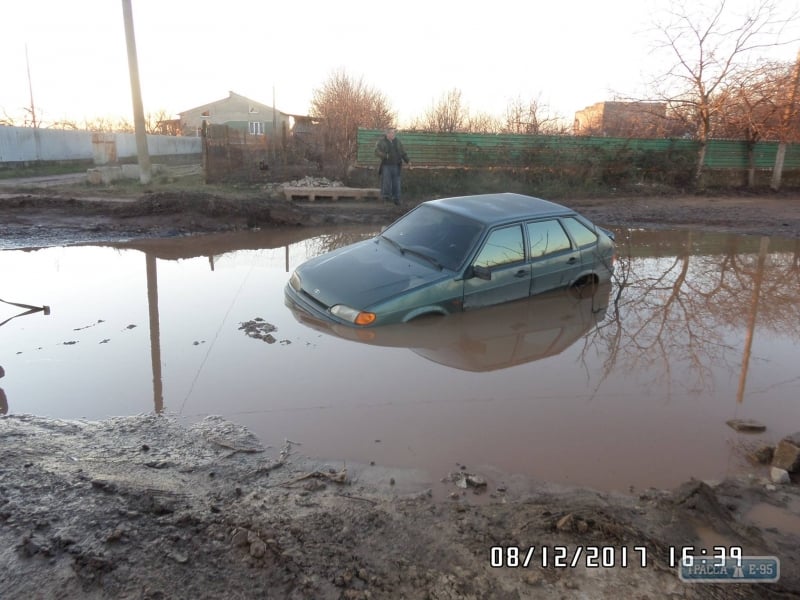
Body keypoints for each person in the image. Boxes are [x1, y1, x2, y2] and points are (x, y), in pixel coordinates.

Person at [374, 127, 410, 205]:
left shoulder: (397, 141)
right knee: (386, 183)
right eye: (391, 133)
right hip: (386, 165)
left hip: (397, 165)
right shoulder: (381, 142)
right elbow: (376, 151)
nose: (393, 134)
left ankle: (396, 199)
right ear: (387, 134)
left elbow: (403, 151)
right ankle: (386, 199)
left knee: (396, 183)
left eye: (394, 133)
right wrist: (385, 155)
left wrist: (407, 160)